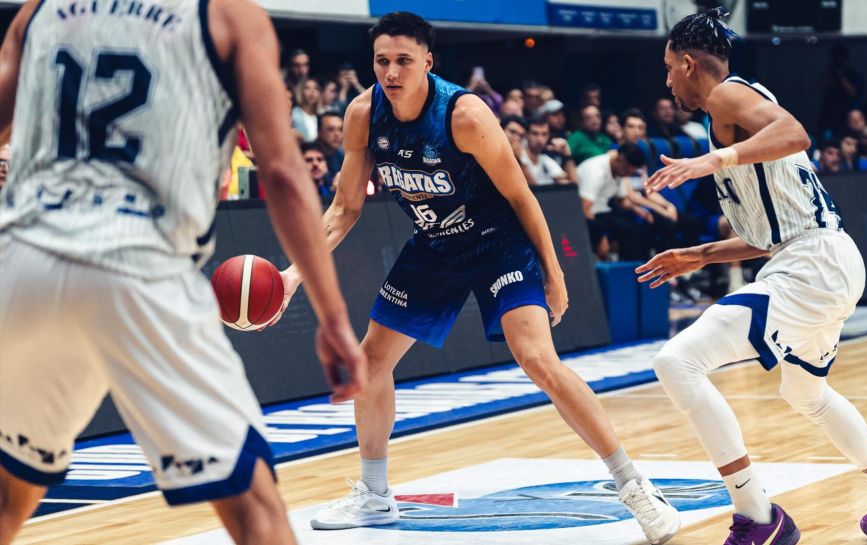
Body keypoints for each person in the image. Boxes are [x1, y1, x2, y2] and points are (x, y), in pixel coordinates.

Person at [272, 12, 680, 544]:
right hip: (434, 242)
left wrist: (554, 274)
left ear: (427, 62)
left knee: (536, 358)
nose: (391, 72)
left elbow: (520, 196)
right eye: (382, 61)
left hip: (497, 241)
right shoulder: (362, 114)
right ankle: (374, 495)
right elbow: (344, 208)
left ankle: (633, 484)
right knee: (370, 361)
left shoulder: (464, 115)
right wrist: (292, 275)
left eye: (403, 61)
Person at [0, 2, 366, 545]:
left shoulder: (39, 11)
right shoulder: (229, 17)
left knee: (10, 491)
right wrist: (332, 317)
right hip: (139, 266)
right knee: (254, 508)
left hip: (23, 262)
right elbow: (284, 175)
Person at [641, 8, 867, 544]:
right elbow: (771, 235)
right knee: (807, 393)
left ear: (687, 63)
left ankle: (758, 517)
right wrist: (701, 254)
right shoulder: (739, 107)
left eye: (667, 68)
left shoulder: (727, 96)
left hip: (811, 264)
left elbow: (797, 134)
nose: (666, 82)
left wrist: (711, 162)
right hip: (822, 258)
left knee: (677, 362)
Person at [522, 118, 577, 185]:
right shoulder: (520, 158)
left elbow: (574, 184)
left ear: (548, 136)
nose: (540, 139)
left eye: (544, 134)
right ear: (526, 135)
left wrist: (567, 155)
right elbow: (532, 187)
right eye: (535, 134)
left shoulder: (546, 160)